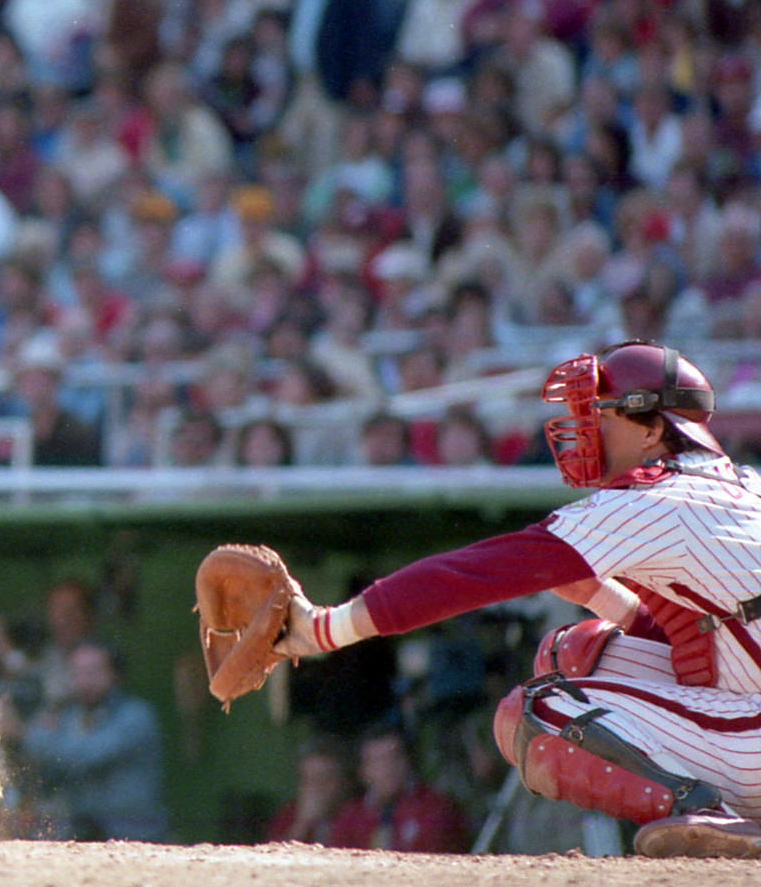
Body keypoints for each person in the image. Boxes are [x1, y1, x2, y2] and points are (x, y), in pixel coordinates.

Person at [276, 341, 761, 857]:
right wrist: (607, 599)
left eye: (600, 413)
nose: (586, 428)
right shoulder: (741, 484)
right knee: (573, 651)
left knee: (539, 711)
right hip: (747, 709)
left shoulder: (657, 498)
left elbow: (474, 573)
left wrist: (326, 628)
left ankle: (712, 816)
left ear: (651, 428)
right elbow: (705, 639)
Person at [15, 640, 168, 841]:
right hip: (86, 836)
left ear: (115, 674)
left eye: (94, 671)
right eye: (78, 672)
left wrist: (24, 733)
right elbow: (51, 773)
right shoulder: (69, 716)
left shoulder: (136, 716)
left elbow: (84, 757)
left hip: (136, 836)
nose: (85, 680)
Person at [323, 724, 466, 852]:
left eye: (394, 757)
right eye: (378, 761)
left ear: (407, 761)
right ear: (363, 770)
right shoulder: (350, 817)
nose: (388, 768)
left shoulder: (435, 808)